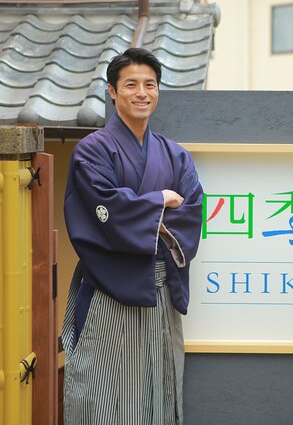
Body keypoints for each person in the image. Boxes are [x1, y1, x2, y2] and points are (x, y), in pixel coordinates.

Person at [61, 47, 203, 425]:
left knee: (158, 388)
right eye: (131, 84)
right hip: (111, 288)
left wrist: (143, 210)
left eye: (150, 85)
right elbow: (103, 206)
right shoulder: (92, 150)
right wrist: (157, 202)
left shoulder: (175, 156)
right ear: (112, 91)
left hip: (160, 289)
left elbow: (190, 210)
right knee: (104, 393)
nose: (142, 93)